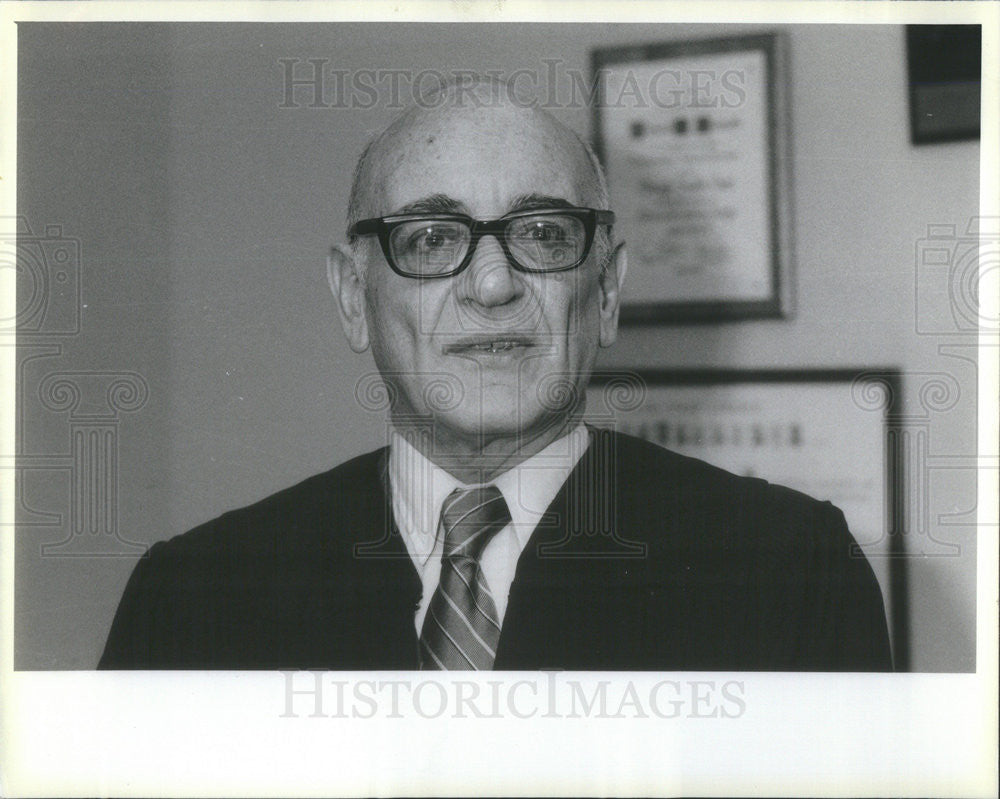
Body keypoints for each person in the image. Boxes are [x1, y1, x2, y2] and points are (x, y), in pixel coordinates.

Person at [99, 78, 892, 671]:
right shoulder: (194, 597)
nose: (490, 285)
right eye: (432, 238)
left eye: (543, 233)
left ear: (607, 291)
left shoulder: (789, 571)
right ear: (352, 297)